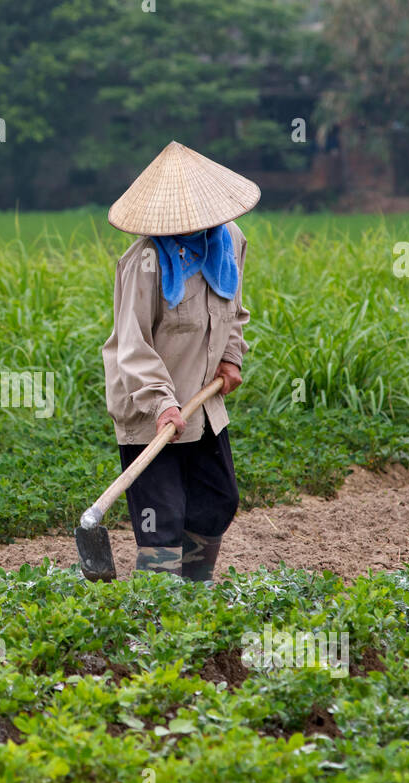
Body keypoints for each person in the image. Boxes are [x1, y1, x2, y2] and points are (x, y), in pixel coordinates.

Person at [100, 141, 259, 581]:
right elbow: (132, 345)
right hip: (149, 404)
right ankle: (159, 611)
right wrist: (161, 402)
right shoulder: (145, 262)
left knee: (218, 499)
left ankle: (195, 588)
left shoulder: (228, 242)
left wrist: (230, 358)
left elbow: (235, 311)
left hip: (202, 402)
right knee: (161, 517)